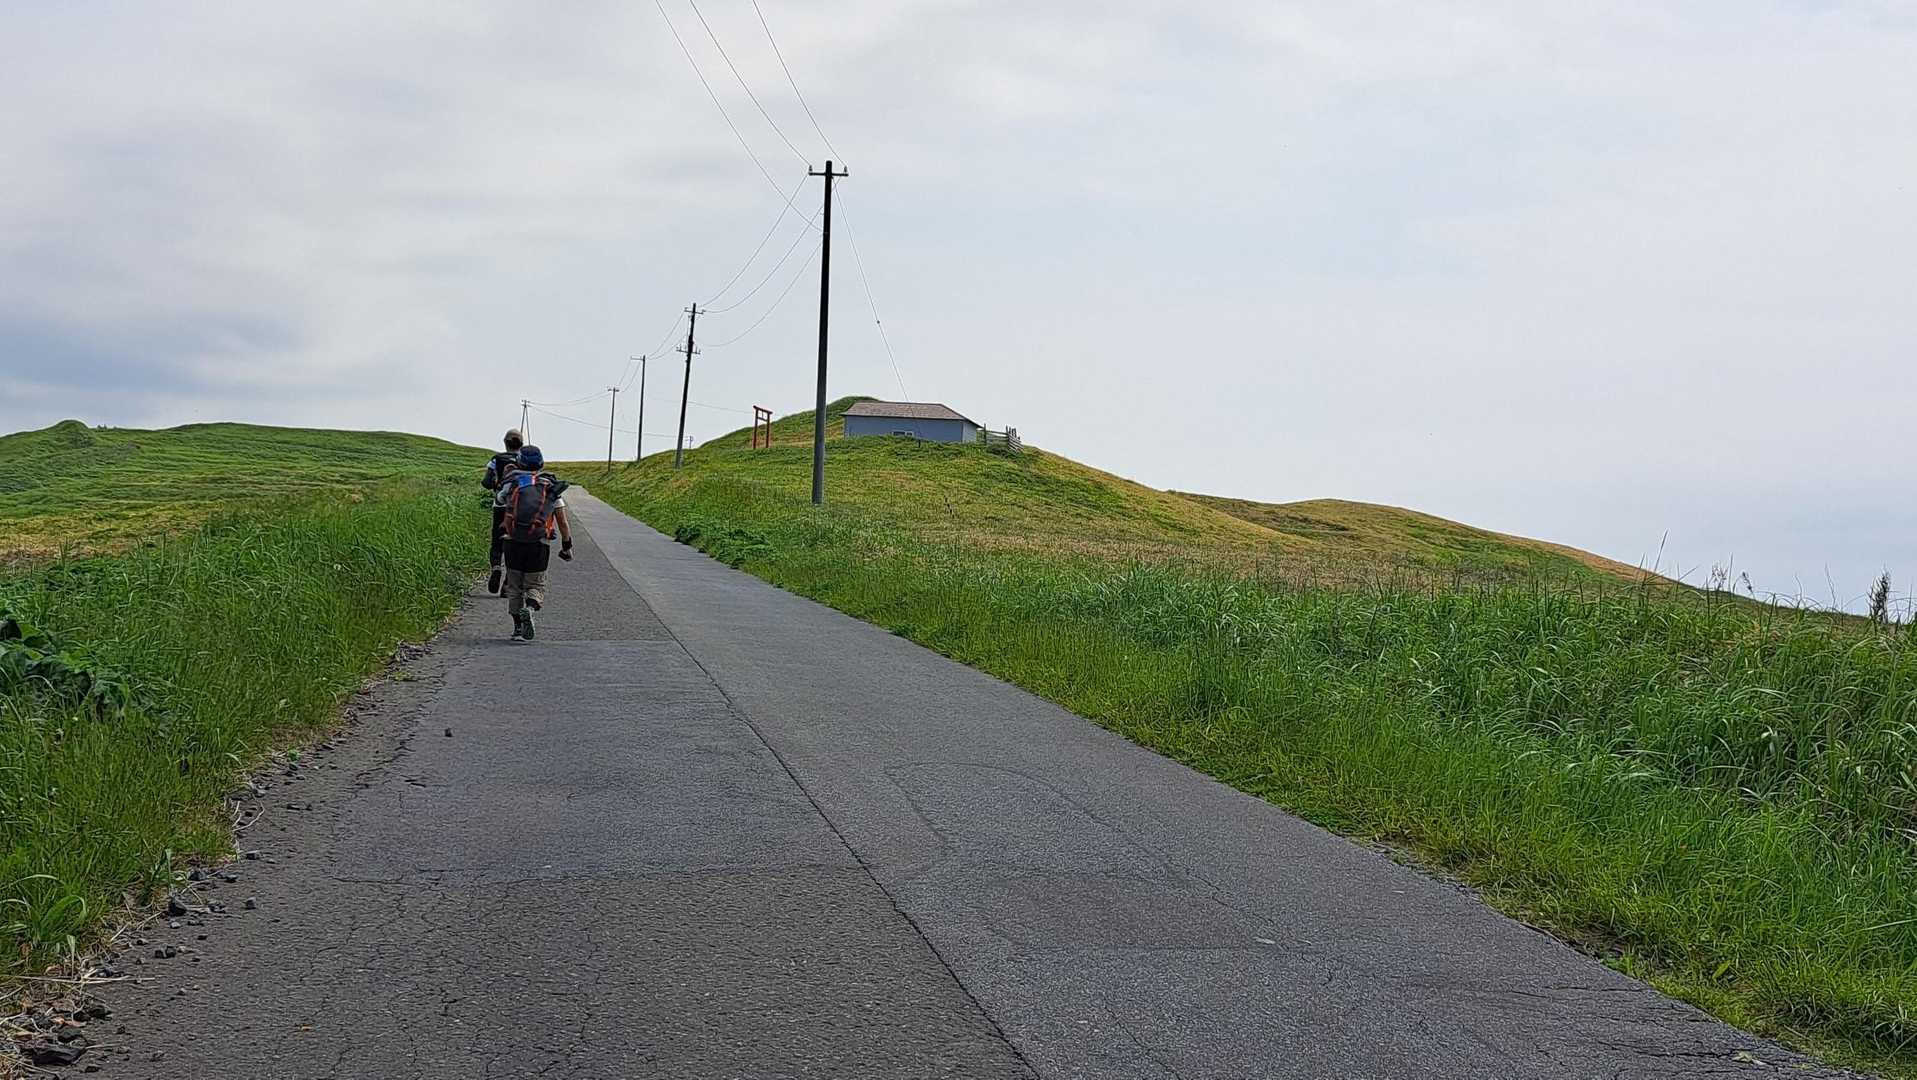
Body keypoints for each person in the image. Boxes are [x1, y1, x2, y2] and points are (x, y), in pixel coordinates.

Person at [496, 444, 573, 641]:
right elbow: (563, 523)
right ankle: (530, 608)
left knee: (514, 587)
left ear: (519, 463)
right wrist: (566, 546)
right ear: (541, 464)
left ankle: (517, 628)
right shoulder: (550, 489)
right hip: (539, 543)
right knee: (536, 584)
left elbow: (500, 500)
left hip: (512, 542)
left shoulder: (513, 484)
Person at [481, 429, 525, 595]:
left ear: (505, 443)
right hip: (520, 506)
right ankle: (508, 582)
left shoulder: (496, 459)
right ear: (521, 443)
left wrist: (496, 485)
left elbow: (486, 482)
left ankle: (496, 568)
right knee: (516, 543)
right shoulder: (525, 459)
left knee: (497, 541)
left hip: (500, 505)